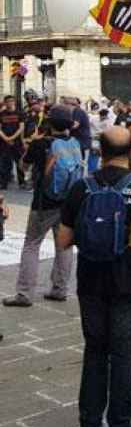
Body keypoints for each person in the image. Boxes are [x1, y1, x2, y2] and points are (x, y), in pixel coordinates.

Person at [55, 126, 131, 427]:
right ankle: (121, 422)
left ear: (101, 150)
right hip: (129, 283)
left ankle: (90, 421)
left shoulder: (82, 187)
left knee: (95, 350)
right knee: (124, 356)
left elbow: (63, 240)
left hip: (90, 282)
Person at [2, 106, 81, 307]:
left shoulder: (41, 144)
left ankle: (24, 293)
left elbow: (24, 166)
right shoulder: (74, 143)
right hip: (67, 202)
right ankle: (59, 289)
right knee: (63, 245)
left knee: (31, 244)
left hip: (43, 203)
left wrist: (33, 144)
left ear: (49, 122)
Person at [0, 95, 25, 190]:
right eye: (8, 101)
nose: (10, 103)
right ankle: (4, 183)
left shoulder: (20, 113)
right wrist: (6, 138)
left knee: (19, 162)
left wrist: (12, 138)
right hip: (4, 143)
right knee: (4, 163)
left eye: (12, 101)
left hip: (17, 142)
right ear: (5, 103)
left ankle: (22, 182)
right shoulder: (1, 114)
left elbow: (21, 128)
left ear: (14, 102)